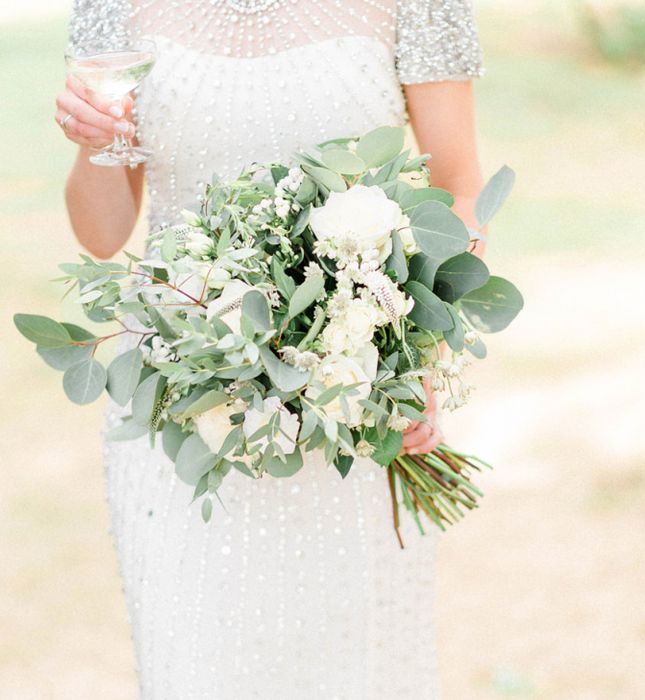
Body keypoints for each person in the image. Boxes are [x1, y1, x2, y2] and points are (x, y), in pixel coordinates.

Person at [56, 1, 485, 696]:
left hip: (354, 393)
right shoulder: (112, 5)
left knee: (351, 669)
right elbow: (102, 233)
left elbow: (458, 187)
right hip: (179, 403)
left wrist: (423, 346)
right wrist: (92, 138)